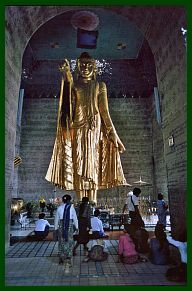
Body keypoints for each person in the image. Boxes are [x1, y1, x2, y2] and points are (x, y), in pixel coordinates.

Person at [45, 52, 127, 203]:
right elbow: (67, 104)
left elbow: (104, 111)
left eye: (89, 65)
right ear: (77, 66)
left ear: (94, 68)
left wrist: (112, 132)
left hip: (94, 127)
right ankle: (81, 201)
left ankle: (93, 200)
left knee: (93, 161)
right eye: (82, 64)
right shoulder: (75, 85)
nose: (85, 67)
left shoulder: (99, 85)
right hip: (77, 127)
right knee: (79, 162)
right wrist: (67, 75)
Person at [54, 194, 78, 273]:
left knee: (61, 242)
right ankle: (68, 259)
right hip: (69, 227)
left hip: (61, 227)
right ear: (69, 200)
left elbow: (56, 219)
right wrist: (77, 228)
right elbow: (75, 218)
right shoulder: (71, 207)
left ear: (63, 200)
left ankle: (61, 258)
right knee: (69, 242)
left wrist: (55, 229)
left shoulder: (59, 208)